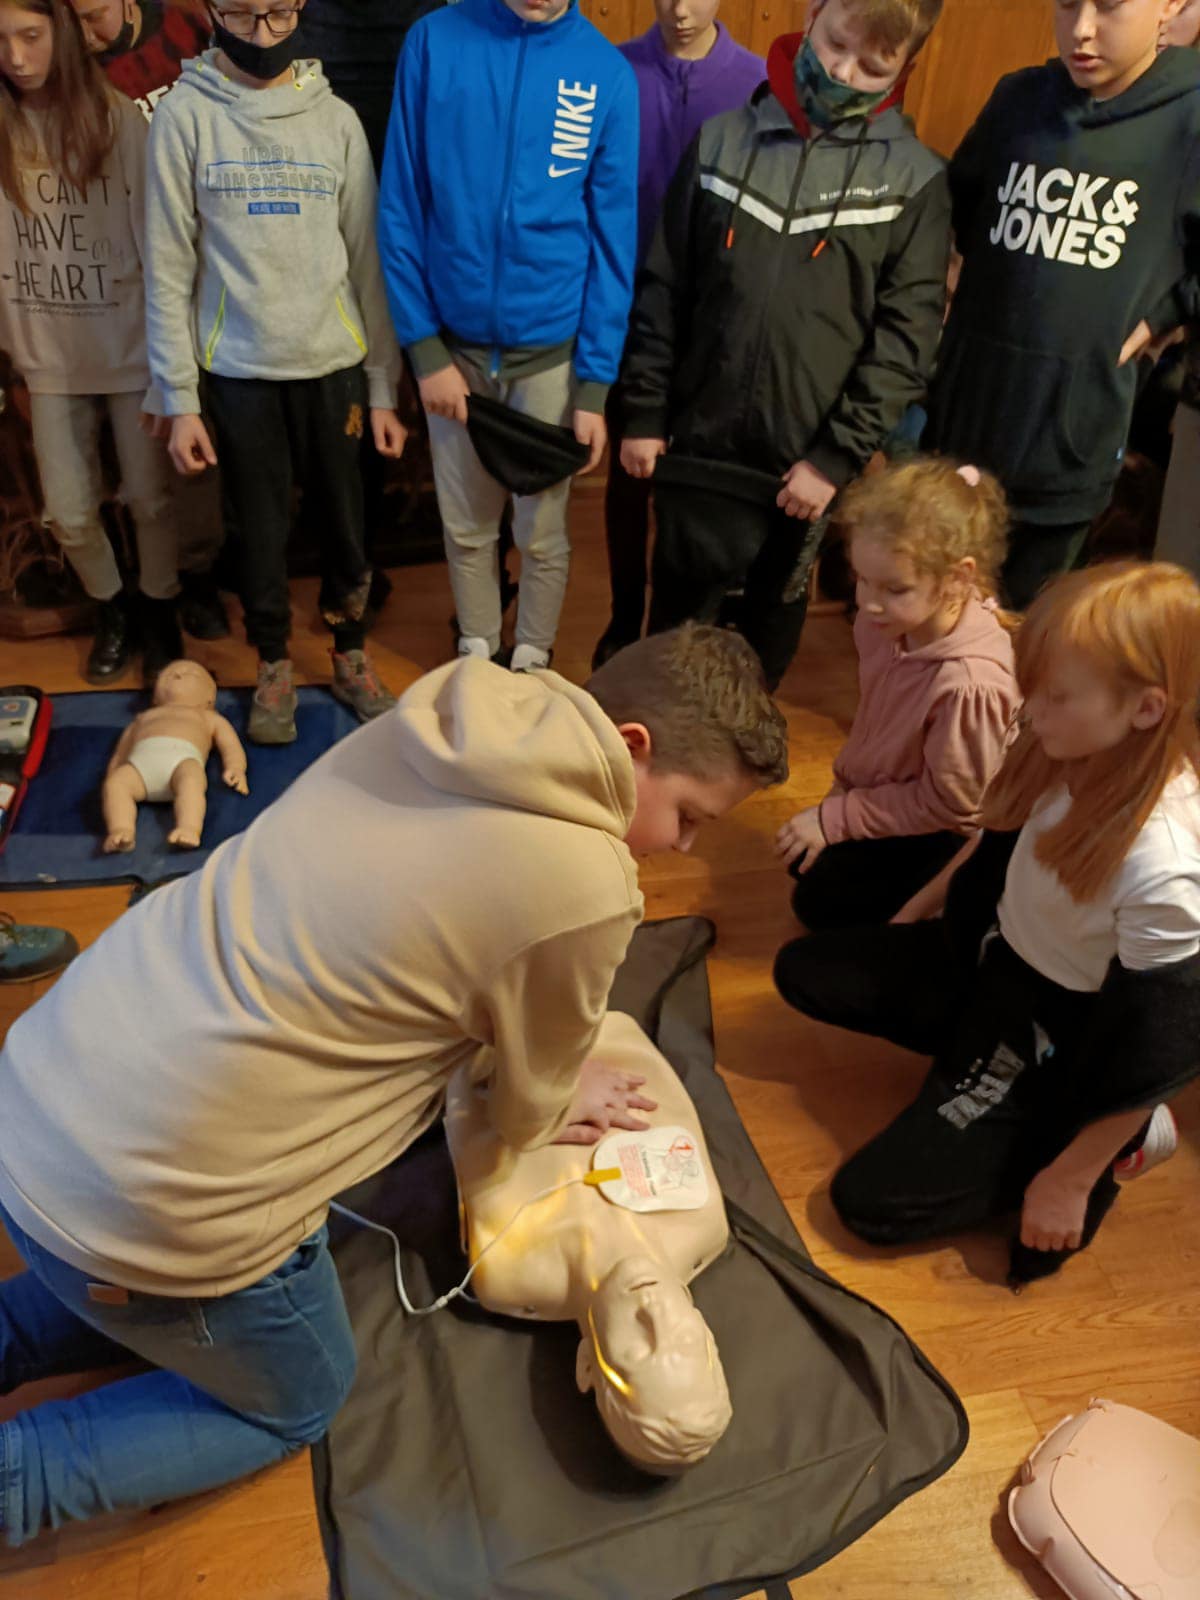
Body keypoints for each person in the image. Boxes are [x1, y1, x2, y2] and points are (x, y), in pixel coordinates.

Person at [0, 624, 788, 1543]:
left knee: (100, 1286)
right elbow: (526, 1108)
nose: (683, 846)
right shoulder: (589, 882)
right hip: (140, 1199)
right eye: (689, 817)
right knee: (300, 1399)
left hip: (44, 1081)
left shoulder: (456, 705)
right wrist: (556, 1091)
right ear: (631, 745)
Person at [774, 562, 1200, 1285]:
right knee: (807, 967)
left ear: (1145, 709)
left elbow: (1161, 1044)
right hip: (996, 961)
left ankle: (1120, 1135)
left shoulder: (1163, 865)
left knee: (868, 1204)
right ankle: (973, 1079)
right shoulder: (1060, 747)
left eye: (1057, 695)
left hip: (1050, 1027)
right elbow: (995, 838)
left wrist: (1070, 1179)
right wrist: (920, 910)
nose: (1032, 708)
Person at [617, 0, 950, 690]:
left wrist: (834, 458)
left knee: (763, 644)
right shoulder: (720, 141)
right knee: (671, 638)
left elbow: (904, 343)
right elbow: (663, 286)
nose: (843, 72)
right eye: (835, 44)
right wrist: (645, 411)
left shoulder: (916, 181)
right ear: (812, 12)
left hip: (805, 474)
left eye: (873, 66)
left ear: (906, 69)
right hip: (696, 452)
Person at [143, 0, 407, 744]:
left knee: (348, 526)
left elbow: (368, 263)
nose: (263, 34)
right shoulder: (184, 119)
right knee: (257, 534)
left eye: (279, 14)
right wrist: (179, 397)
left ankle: (350, 652)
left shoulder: (338, 121)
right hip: (239, 374)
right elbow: (166, 266)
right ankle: (272, 663)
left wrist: (382, 387)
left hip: (335, 370)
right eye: (242, 15)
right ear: (212, 12)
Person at [377, 0, 639, 673]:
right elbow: (401, 204)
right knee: (466, 525)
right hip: (453, 354)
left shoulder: (604, 74)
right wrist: (424, 350)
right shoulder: (433, 43)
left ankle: (532, 660)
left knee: (542, 531)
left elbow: (613, 246)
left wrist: (594, 387)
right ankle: (478, 650)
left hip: (551, 358)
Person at [924, 0, 1200, 611]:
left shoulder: (1190, 117)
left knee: (1025, 635)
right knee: (929, 624)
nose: (1081, 30)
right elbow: (954, 215)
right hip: (963, 430)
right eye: (1067, 4)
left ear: (1169, 7)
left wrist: (1165, 315)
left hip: (1068, 448)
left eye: (1109, 7)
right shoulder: (1018, 98)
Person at [445, 1009, 732, 1472]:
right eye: (683, 1338)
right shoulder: (702, 1220)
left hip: (475, 1028)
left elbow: (462, 1095)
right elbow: (636, 1057)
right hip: (584, 1017)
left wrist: (530, 1088)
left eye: (636, 1350)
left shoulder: (510, 1268)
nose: (654, 1312)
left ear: (587, 1366)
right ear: (708, 1335)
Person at [0, 0, 181, 684]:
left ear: (62, 33)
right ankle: (113, 609)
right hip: (46, 350)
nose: (16, 58)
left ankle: (159, 609)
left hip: (129, 343)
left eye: (30, 36)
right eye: (0, 41)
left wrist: (168, 351)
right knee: (70, 511)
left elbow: (156, 238)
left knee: (150, 497)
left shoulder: (116, 119)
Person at [591, 0, 764, 668]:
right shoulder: (613, 72)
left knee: (694, 487)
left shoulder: (756, 83)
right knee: (628, 479)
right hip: (627, 310)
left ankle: (681, 629)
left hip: (716, 320)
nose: (680, 9)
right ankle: (622, 618)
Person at [776, 459, 1019, 931]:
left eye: (894, 588)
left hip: (950, 834)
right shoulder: (884, 624)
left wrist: (839, 818)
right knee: (804, 862)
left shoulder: (968, 684)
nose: (868, 603)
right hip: (897, 799)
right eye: (862, 580)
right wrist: (840, 801)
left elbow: (954, 806)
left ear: (958, 578)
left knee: (818, 901)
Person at [70, 0, 210, 117]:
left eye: (95, 17)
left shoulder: (188, 23)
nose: (86, 37)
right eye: (71, 22)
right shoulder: (75, 79)